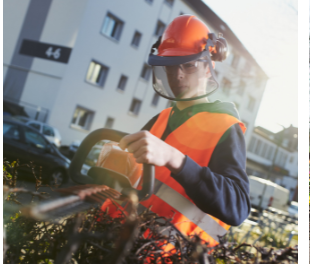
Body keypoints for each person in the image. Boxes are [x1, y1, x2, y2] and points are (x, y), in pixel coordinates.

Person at [100, 15, 250, 247]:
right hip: (122, 248)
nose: (177, 75)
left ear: (209, 69)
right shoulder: (159, 120)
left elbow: (238, 207)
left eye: (188, 65)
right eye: (170, 66)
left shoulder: (226, 127)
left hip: (174, 259)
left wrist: (174, 159)